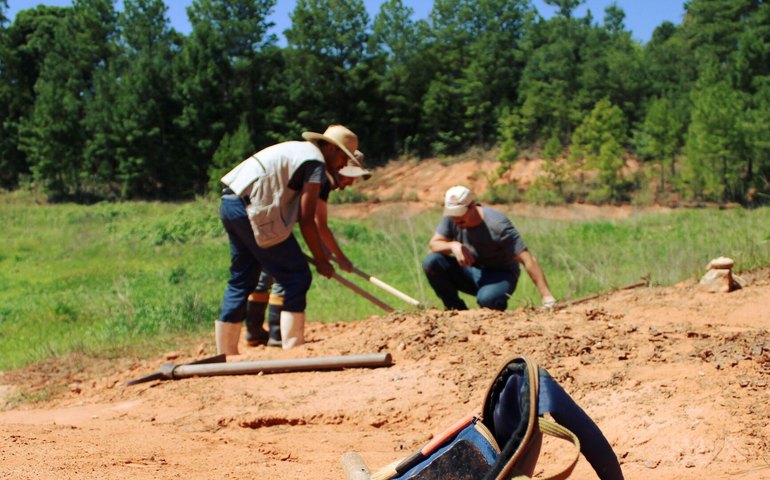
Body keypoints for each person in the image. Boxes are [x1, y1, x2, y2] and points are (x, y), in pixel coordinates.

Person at [217, 125, 370, 354]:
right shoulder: (315, 163)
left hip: (231, 203)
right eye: (342, 156)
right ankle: (292, 347)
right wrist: (321, 261)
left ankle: (225, 353)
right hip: (250, 209)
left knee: (242, 279)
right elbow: (307, 220)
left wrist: (323, 253)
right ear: (328, 147)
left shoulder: (301, 152)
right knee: (296, 276)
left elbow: (300, 216)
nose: (342, 164)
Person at [245, 151, 370, 347]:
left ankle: (256, 333)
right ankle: (277, 336)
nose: (351, 183)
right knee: (285, 275)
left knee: (267, 273)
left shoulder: (322, 178)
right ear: (341, 168)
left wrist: (324, 252)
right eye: (351, 176)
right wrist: (336, 258)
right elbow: (318, 224)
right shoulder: (321, 180)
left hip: (262, 217)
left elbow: (317, 225)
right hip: (266, 219)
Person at [422, 185, 556, 311]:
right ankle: (456, 311)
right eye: (452, 213)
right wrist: (452, 245)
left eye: (460, 213)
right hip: (471, 270)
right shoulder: (453, 219)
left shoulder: (498, 224)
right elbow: (434, 244)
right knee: (432, 262)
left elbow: (528, 259)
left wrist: (547, 296)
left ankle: (493, 310)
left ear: (473, 207)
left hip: (500, 274)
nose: (456, 219)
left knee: (488, 300)